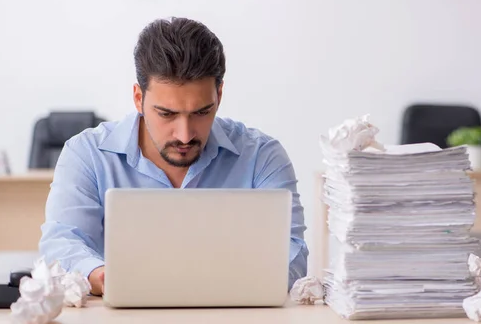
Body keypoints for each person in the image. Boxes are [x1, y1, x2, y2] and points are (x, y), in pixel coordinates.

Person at [38, 17, 308, 296]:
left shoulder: (262, 156)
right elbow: (62, 243)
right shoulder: (87, 154)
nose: (185, 134)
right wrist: (103, 277)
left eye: (201, 112)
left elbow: (292, 252)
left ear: (219, 94)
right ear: (138, 98)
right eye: (167, 114)